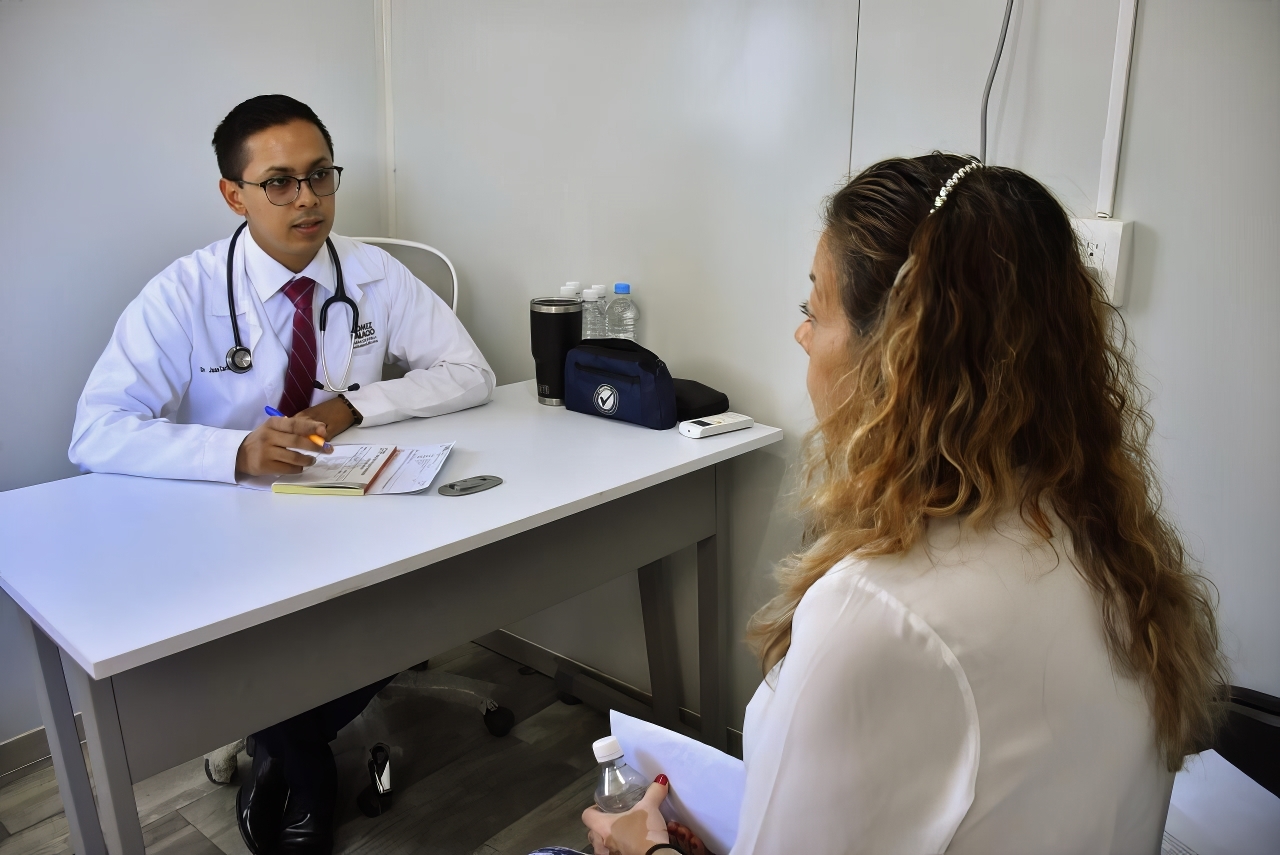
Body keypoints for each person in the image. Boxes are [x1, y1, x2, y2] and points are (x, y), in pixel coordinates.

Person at [572, 154, 1226, 855]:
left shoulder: (878, 615)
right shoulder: (1108, 543)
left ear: (895, 360)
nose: (801, 335)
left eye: (813, 311)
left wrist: (651, 849)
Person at [69, 94, 495, 855]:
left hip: (357, 508)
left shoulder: (373, 272)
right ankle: (301, 759)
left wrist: (351, 406)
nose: (307, 199)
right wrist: (234, 452)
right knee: (272, 627)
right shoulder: (185, 292)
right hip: (235, 530)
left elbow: (469, 373)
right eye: (279, 182)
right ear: (234, 195)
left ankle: (283, 750)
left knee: (410, 594)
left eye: (320, 175)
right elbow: (96, 429)